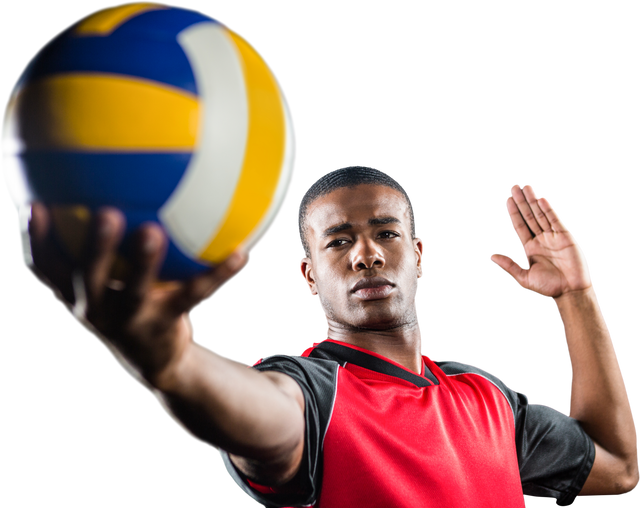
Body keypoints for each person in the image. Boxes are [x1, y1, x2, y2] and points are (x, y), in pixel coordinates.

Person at [23, 163, 637, 507]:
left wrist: (576, 296)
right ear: (310, 275)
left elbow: (618, 469)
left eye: (386, 233)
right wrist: (171, 362)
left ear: (418, 255)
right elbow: (259, 414)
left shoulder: (486, 398)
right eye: (338, 241)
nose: (366, 255)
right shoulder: (312, 391)